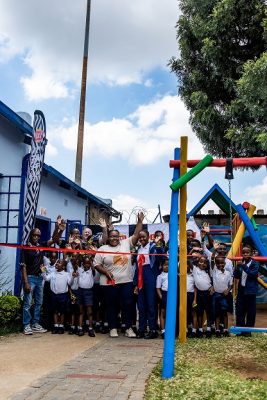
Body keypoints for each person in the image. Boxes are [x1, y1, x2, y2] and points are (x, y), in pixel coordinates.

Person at [93, 212, 145, 338]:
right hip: (108, 283)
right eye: (112, 236)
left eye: (116, 236)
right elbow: (96, 264)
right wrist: (105, 272)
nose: (114, 238)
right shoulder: (102, 248)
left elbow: (137, 235)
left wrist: (139, 222)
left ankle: (128, 328)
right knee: (111, 306)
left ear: (119, 237)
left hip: (126, 282)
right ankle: (113, 328)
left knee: (128, 305)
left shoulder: (126, 243)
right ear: (108, 238)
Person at [20, 224, 64, 335]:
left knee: (39, 303)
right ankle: (26, 325)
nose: (36, 237)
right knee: (28, 303)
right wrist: (25, 282)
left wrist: (59, 230)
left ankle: (35, 324)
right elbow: (23, 266)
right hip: (30, 278)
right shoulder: (26, 248)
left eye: (38, 236)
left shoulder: (41, 245)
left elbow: (54, 240)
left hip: (40, 278)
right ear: (30, 235)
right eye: (34, 235)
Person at [135, 230, 165, 339]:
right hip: (140, 277)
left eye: (144, 237)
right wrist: (135, 284)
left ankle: (153, 330)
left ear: (148, 236)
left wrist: (158, 245)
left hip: (151, 276)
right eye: (140, 237)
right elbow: (137, 268)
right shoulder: (138, 249)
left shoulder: (152, 246)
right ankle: (141, 329)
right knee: (141, 305)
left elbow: (161, 258)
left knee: (151, 305)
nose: (142, 239)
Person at [41, 259, 73, 334]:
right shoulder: (53, 273)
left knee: (62, 311)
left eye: (59, 263)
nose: (57, 264)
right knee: (55, 310)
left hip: (63, 295)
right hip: (54, 294)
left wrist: (73, 277)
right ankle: (55, 326)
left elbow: (70, 283)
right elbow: (46, 278)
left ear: (64, 266)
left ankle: (61, 326)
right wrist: (43, 271)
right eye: (57, 262)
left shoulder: (66, 274)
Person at [234, 246, 259, 336]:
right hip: (241, 290)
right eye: (243, 253)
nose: (245, 254)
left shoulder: (255, 263)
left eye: (247, 253)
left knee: (251, 312)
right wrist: (237, 268)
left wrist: (243, 266)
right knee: (240, 311)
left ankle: (248, 331)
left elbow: (253, 274)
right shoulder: (241, 263)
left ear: (251, 253)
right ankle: (240, 330)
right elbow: (236, 276)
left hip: (251, 291)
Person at [210, 256, 233, 337]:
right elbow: (212, 262)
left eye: (222, 263)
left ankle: (226, 330)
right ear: (216, 264)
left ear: (225, 263)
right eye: (218, 263)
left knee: (224, 313)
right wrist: (213, 254)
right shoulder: (214, 271)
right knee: (217, 314)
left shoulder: (228, 273)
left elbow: (230, 284)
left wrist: (228, 290)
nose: (220, 264)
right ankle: (217, 330)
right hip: (216, 295)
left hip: (224, 296)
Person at [192, 255, 213, 338]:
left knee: (208, 312)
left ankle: (208, 329)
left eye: (205, 263)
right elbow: (188, 261)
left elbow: (212, 281)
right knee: (199, 312)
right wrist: (196, 257)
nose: (202, 264)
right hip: (199, 294)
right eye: (201, 261)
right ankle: (200, 329)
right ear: (197, 262)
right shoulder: (195, 269)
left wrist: (212, 287)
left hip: (208, 294)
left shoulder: (208, 272)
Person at [76, 256, 95, 337]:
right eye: (85, 263)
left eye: (88, 263)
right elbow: (76, 262)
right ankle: (80, 328)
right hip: (80, 291)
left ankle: (90, 329)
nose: (87, 265)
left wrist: (91, 261)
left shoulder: (92, 271)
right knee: (81, 311)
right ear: (83, 264)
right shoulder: (79, 270)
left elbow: (93, 268)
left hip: (88, 292)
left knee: (89, 312)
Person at [156, 258, 169, 339]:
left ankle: (170, 330)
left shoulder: (173, 274)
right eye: (165, 265)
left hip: (172, 294)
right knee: (162, 312)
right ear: (161, 266)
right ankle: (163, 330)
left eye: (168, 265)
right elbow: (158, 288)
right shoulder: (160, 276)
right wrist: (161, 297)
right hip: (164, 294)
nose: (166, 267)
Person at [186, 259, 197, 338]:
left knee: (193, 312)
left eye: (187, 265)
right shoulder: (179, 275)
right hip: (183, 295)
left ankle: (194, 330)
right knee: (185, 312)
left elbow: (195, 288)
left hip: (192, 295)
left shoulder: (193, 275)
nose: (185, 267)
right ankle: (186, 329)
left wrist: (195, 299)